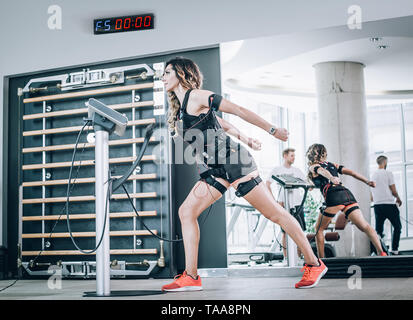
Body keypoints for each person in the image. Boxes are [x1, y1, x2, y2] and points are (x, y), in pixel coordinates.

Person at [161, 57, 327, 291]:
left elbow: (237, 110)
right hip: (217, 169)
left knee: (276, 214)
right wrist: (246, 138)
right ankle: (191, 276)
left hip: (236, 162)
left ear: (181, 73)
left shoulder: (197, 96)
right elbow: (223, 124)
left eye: (168, 72)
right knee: (186, 211)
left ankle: (314, 263)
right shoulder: (182, 111)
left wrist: (272, 130)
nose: (163, 77)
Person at [306, 143, 386, 258]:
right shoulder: (332, 164)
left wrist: (331, 178)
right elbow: (352, 173)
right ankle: (381, 252)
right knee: (365, 226)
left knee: (319, 229)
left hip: (334, 197)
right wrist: (367, 181)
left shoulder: (313, 166)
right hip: (347, 195)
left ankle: (322, 260)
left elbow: (321, 171)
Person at [266, 148, 308, 259]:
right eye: (292, 155)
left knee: (300, 231)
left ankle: (299, 257)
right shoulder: (277, 170)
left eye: (294, 155)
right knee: (285, 232)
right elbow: (267, 184)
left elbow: (307, 184)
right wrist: (273, 201)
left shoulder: (297, 171)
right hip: (283, 204)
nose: (294, 158)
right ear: (285, 155)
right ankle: (286, 257)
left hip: (297, 204)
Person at [371, 155, 402, 255]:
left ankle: (380, 250)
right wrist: (398, 198)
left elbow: (371, 194)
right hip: (389, 204)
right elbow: (393, 189)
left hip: (377, 205)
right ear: (385, 162)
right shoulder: (388, 173)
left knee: (378, 231)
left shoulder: (373, 175)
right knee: (397, 227)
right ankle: (394, 250)